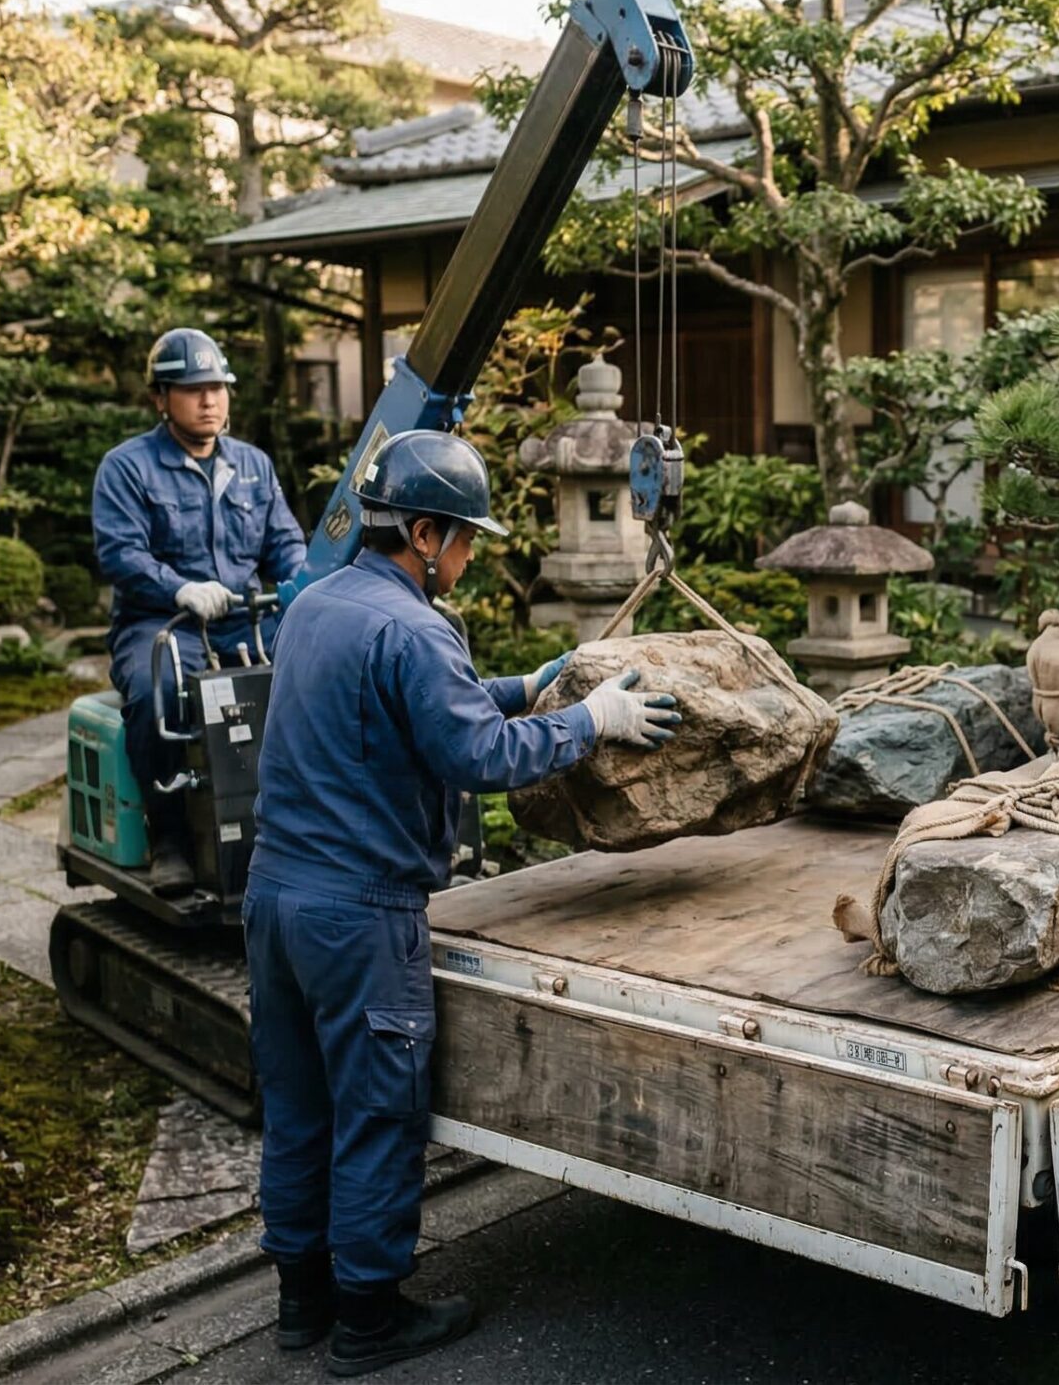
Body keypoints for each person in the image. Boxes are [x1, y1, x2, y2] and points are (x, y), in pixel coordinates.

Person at [243, 429, 679, 1377]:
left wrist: (528, 686)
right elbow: (477, 755)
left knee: (299, 1102)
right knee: (374, 1110)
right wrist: (586, 721)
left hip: (276, 898)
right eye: (468, 538)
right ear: (428, 532)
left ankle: (299, 1303)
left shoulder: (318, 606)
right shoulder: (413, 625)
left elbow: (416, 707)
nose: (471, 556)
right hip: (359, 911)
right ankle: (367, 1321)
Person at [93, 328, 308, 889]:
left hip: (248, 617)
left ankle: (307, 823)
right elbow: (121, 553)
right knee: (153, 691)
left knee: (322, 668)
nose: (209, 400)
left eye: (217, 387)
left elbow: (285, 544)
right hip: (162, 621)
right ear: (161, 399)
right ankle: (169, 837)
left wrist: (304, 585)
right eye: (192, 389)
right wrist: (177, 588)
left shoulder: (254, 466)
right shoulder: (127, 467)